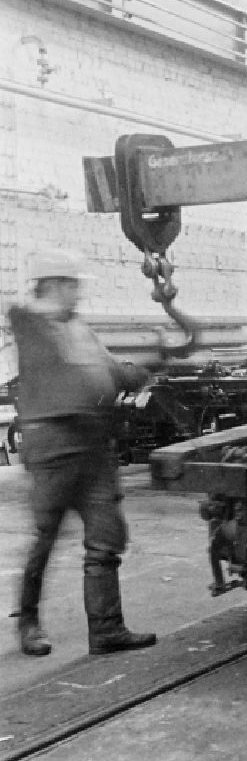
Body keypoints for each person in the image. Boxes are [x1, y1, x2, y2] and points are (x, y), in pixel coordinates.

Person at [8, 247, 158, 656]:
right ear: (54, 286)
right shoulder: (29, 325)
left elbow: (107, 370)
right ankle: (28, 624)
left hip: (92, 449)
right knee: (45, 540)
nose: (79, 294)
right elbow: (68, 377)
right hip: (54, 451)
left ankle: (107, 630)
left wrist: (143, 369)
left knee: (105, 540)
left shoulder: (78, 328)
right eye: (73, 285)